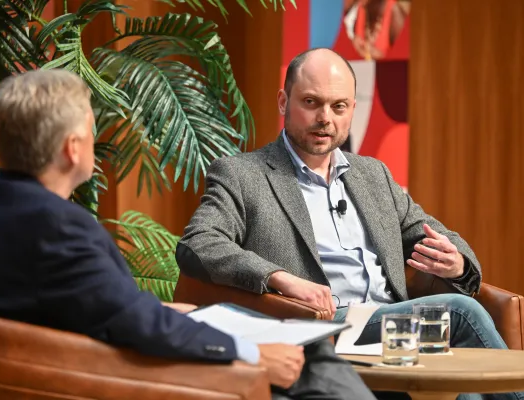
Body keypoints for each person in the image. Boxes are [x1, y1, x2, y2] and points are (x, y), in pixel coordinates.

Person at [0, 69, 375, 400]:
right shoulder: (60, 228)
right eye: (92, 129)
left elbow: (78, 304)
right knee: (313, 356)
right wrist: (252, 353)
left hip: (49, 371)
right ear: (73, 149)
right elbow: (137, 328)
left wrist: (163, 311)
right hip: (117, 382)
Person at [176, 48, 524, 400]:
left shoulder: (373, 175)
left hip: (391, 325)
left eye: (338, 106)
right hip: (323, 326)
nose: (325, 118)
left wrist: (457, 262)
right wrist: (279, 277)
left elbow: (434, 233)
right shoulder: (242, 175)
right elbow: (199, 243)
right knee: (460, 313)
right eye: (311, 102)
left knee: (466, 386)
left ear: (352, 110)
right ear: (284, 102)